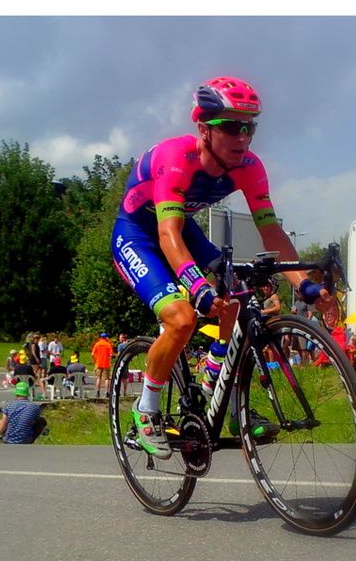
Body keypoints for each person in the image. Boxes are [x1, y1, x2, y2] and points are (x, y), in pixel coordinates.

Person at [110, 75, 332, 459]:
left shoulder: (249, 165)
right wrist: (196, 286)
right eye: (230, 127)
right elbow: (167, 233)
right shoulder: (175, 158)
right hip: (140, 235)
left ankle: (226, 403)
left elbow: (271, 232)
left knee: (240, 304)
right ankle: (146, 409)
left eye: (249, 127)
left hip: (185, 230)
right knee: (181, 318)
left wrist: (304, 286)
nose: (242, 137)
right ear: (203, 128)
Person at [91, 332, 114, 398]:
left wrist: (95, 361)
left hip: (98, 363)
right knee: (107, 379)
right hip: (106, 363)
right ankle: (107, 392)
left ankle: (98, 392)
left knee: (98, 378)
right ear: (106, 337)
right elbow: (111, 354)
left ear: (100, 337)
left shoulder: (97, 344)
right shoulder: (108, 345)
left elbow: (92, 354)